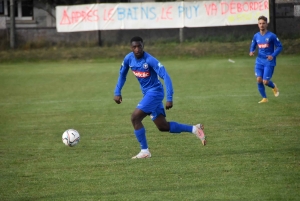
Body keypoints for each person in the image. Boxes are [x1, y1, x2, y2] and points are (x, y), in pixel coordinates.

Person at [113, 36, 206, 159]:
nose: (137, 49)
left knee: (135, 118)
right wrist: (117, 91)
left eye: (139, 46)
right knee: (163, 126)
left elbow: (166, 76)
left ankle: (145, 151)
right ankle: (195, 129)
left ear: (143, 46)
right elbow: (122, 75)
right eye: (134, 47)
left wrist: (169, 97)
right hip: (148, 94)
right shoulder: (128, 59)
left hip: (155, 93)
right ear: (131, 48)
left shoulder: (150, 60)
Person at [249, 15, 283, 103]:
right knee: (258, 79)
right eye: (260, 23)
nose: (261, 25)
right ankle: (264, 98)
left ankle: (274, 87)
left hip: (269, 61)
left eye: (263, 23)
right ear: (258, 25)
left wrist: (273, 55)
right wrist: (252, 51)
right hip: (259, 60)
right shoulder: (256, 36)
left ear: (266, 24)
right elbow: (253, 45)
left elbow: (279, 46)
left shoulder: (271, 36)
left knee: (265, 81)